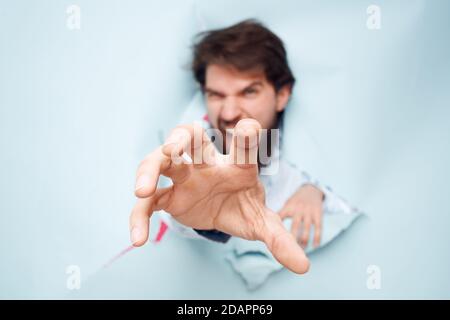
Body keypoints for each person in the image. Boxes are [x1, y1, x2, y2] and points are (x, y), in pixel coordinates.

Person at [129, 20, 354, 275]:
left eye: (248, 92)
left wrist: (314, 192)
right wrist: (208, 223)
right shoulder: (191, 148)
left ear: (282, 95)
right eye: (216, 95)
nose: (229, 113)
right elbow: (181, 207)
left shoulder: (301, 158)